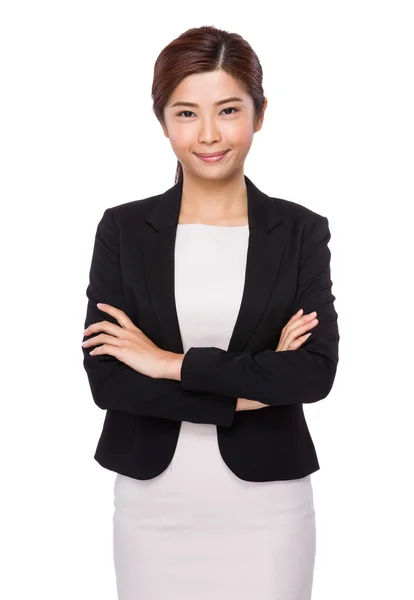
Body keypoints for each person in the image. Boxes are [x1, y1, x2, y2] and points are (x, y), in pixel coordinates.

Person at [81, 25, 339, 600]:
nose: (208, 135)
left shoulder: (298, 231)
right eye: (185, 113)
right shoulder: (123, 230)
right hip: (153, 511)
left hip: (270, 513)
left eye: (227, 110)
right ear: (163, 120)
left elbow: (313, 374)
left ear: (259, 114)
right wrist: (259, 376)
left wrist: (166, 363)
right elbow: (109, 381)